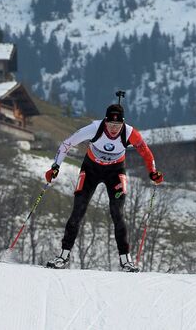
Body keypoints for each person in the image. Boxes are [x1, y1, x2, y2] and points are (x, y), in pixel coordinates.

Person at [44, 101, 164, 271]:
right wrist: (55, 167)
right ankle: (63, 256)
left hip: (115, 173)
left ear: (122, 123)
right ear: (105, 121)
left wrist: (153, 172)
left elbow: (146, 152)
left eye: (118, 124)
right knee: (78, 210)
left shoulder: (130, 133)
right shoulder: (94, 128)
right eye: (110, 123)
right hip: (91, 169)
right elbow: (67, 144)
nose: (114, 128)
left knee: (117, 213)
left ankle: (126, 260)